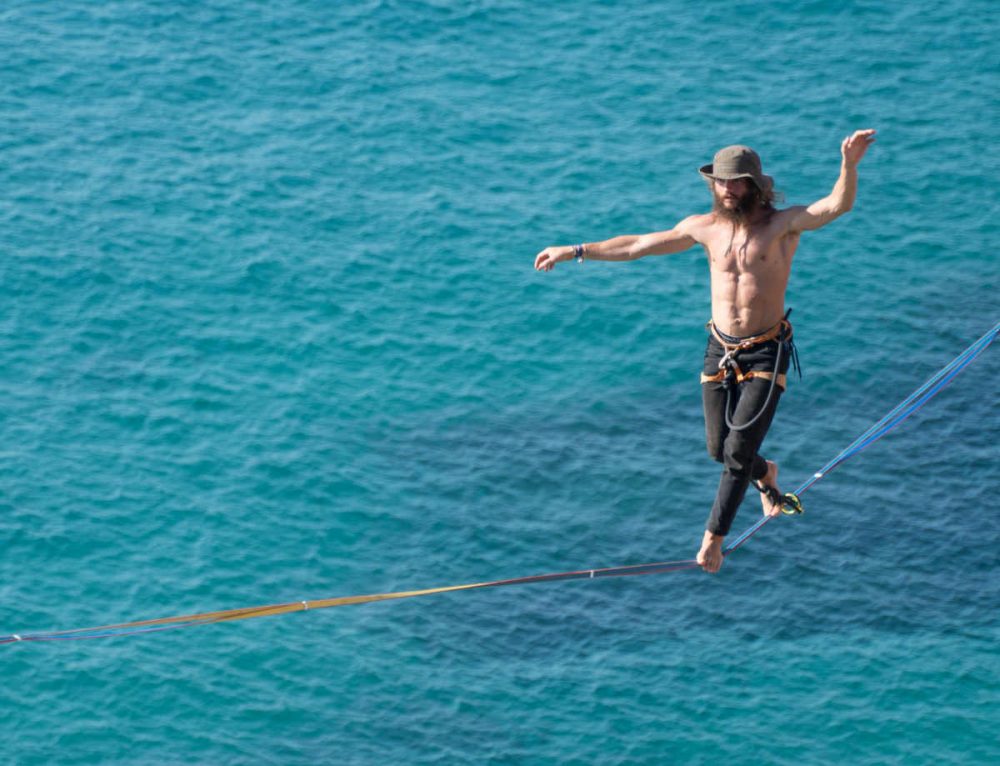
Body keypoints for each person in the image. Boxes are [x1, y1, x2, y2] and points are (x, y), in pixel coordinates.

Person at [534, 130, 876, 573]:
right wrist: (574, 250)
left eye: (736, 182)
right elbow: (636, 245)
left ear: (755, 184)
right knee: (720, 449)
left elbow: (835, 206)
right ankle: (765, 473)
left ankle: (713, 538)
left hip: (765, 352)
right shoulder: (704, 228)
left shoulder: (782, 225)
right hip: (720, 350)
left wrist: (848, 166)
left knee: (736, 452)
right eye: (721, 181)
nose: (727, 189)